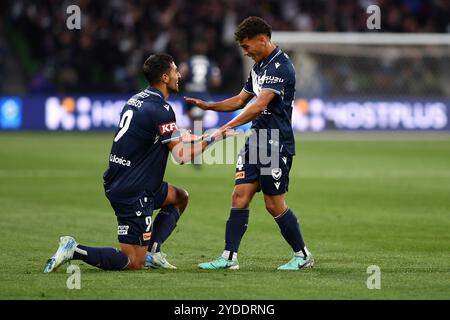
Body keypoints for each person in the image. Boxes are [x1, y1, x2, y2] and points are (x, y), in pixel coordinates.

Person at [44, 53, 231, 273]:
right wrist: (214, 138)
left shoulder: (137, 99)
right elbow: (180, 156)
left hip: (128, 180)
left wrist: (200, 136)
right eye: (174, 71)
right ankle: (74, 249)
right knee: (132, 261)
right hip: (134, 190)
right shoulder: (161, 109)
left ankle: (153, 251)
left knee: (180, 197)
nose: (179, 75)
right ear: (164, 77)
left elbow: (168, 135)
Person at [185, 16, 314, 270]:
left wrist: (223, 129)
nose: (244, 53)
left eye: (247, 47)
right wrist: (210, 106)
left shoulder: (281, 67)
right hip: (256, 139)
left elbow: (259, 105)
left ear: (263, 40)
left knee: (273, 204)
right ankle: (229, 258)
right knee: (239, 195)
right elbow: (240, 100)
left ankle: (303, 255)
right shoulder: (259, 67)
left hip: (275, 142)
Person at [179, 42, 221, 143]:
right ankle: (198, 141)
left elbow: (181, 74)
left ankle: (194, 140)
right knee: (198, 119)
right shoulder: (210, 63)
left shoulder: (188, 61)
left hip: (189, 93)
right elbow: (216, 81)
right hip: (202, 93)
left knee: (193, 119)